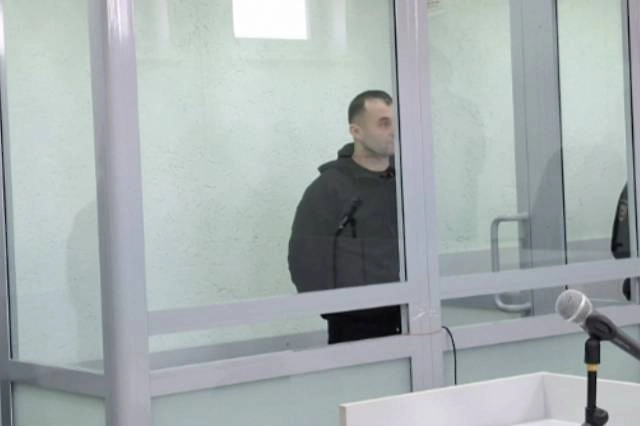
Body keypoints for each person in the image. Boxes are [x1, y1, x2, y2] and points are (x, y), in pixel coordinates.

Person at [288, 90, 401, 344]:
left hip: (410, 315)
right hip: (354, 327)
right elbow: (305, 259)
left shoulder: (407, 181)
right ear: (356, 131)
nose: (394, 131)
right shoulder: (329, 189)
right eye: (384, 123)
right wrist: (340, 312)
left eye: (396, 123)